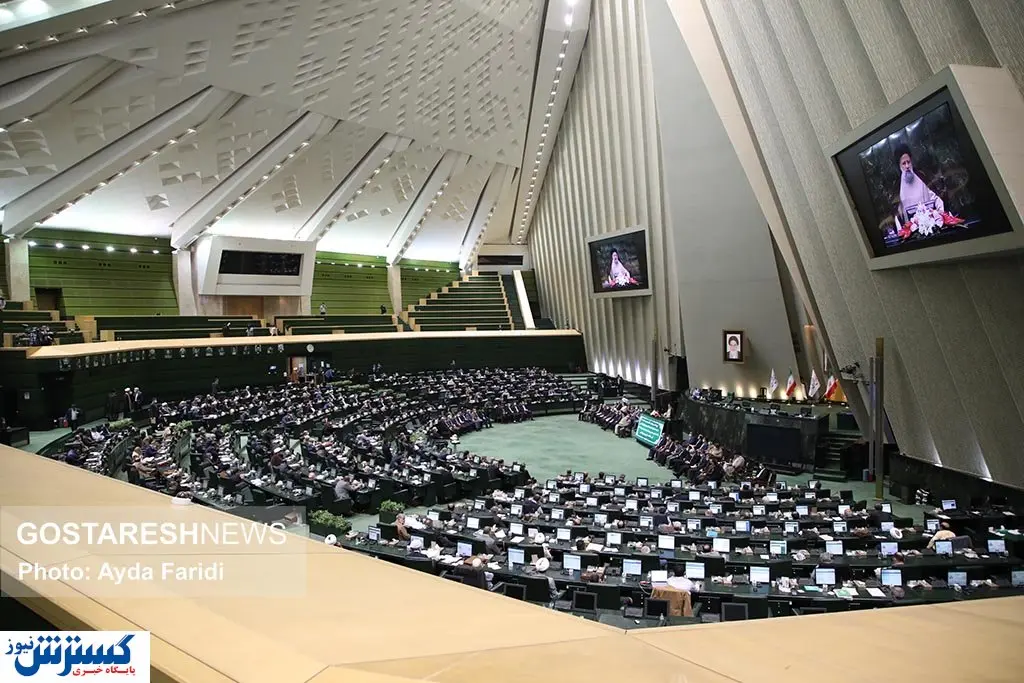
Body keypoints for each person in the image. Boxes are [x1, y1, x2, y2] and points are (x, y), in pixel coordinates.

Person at [895, 144, 943, 223]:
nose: (907, 166)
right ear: (899, 166)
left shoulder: (921, 177)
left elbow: (935, 198)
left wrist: (939, 213)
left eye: (908, 162)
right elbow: (898, 215)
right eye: (904, 163)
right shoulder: (898, 187)